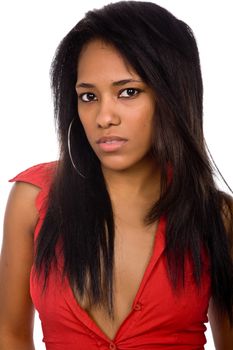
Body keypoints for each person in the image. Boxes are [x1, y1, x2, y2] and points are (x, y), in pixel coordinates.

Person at [0, 1, 233, 349]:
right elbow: (11, 335)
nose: (103, 117)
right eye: (88, 96)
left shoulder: (217, 216)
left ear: (172, 95)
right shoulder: (34, 199)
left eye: (128, 92)